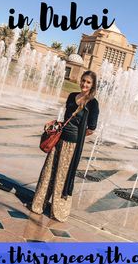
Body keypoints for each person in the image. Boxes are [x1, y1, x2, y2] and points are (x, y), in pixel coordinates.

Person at [31, 70, 99, 222]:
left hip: (72, 145)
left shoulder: (93, 104)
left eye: (88, 82)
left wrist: (77, 135)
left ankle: (58, 211)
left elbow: (91, 128)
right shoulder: (71, 96)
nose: (84, 84)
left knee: (63, 176)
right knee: (49, 171)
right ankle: (38, 204)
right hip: (59, 141)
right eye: (83, 80)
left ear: (93, 85)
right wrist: (56, 124)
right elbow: (66, 117)